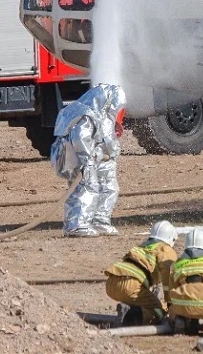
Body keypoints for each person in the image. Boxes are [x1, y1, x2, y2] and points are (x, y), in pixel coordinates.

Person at [50, 83, 126, 237]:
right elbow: (80, 138)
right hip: (80, 159)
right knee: (87, 188)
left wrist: (110, 153)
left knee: (109, 187)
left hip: (93, 159)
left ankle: (99, 220)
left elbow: (104, 139)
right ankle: (78, 225)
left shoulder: (100, 114)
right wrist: (87, 160)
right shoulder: (86, 114)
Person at [104, 220, 178, 326]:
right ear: (172, 238)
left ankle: (129, 308)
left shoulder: (142, 247)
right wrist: (170, 303)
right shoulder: (165, 249)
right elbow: (168, 276)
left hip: (111, 283)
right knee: (159, 310)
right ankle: (130, 316)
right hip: (130, 285)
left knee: (142, 301)